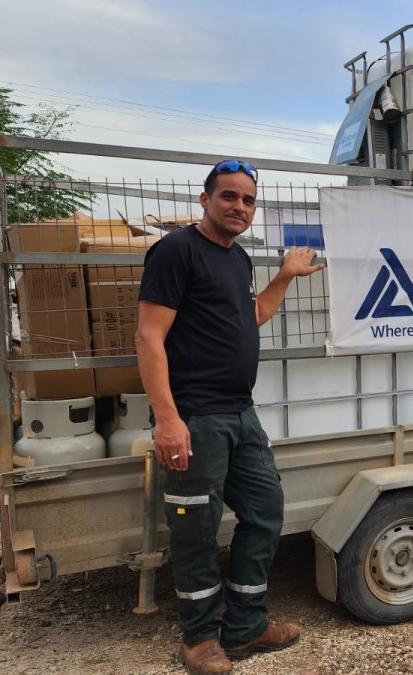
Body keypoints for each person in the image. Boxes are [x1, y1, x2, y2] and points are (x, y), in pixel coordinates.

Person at [136, 159, 324, 674]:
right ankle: (199, 639)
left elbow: (252, 315)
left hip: (241, 413)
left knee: (265, 512)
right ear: (206, 200)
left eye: (248, 200)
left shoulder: (237, 259)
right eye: (229, 196)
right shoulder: (175, 251)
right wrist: (167, 419)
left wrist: (284, 276)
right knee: (195, 530)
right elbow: (149, 337)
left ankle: (245, 627)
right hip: (195, 417)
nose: (239, 207)